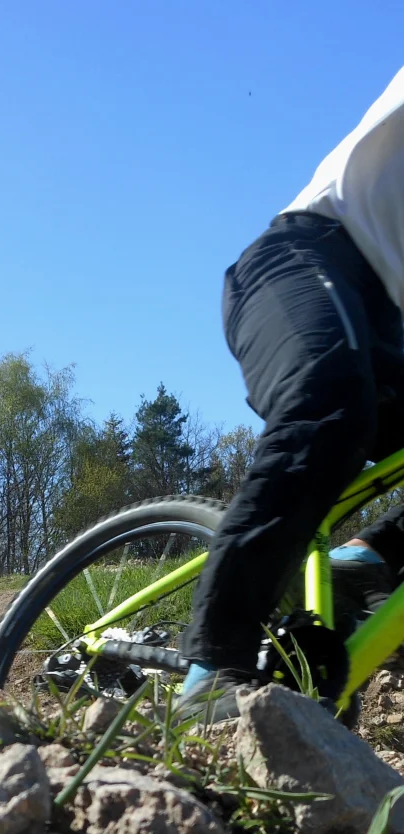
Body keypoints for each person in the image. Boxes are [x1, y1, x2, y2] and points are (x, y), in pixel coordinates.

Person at [177, 66, 404, 721]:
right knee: (332, 402)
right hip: (305, 258)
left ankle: (366, 559)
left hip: (383, 319)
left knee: (349, 400)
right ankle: (210, 667)